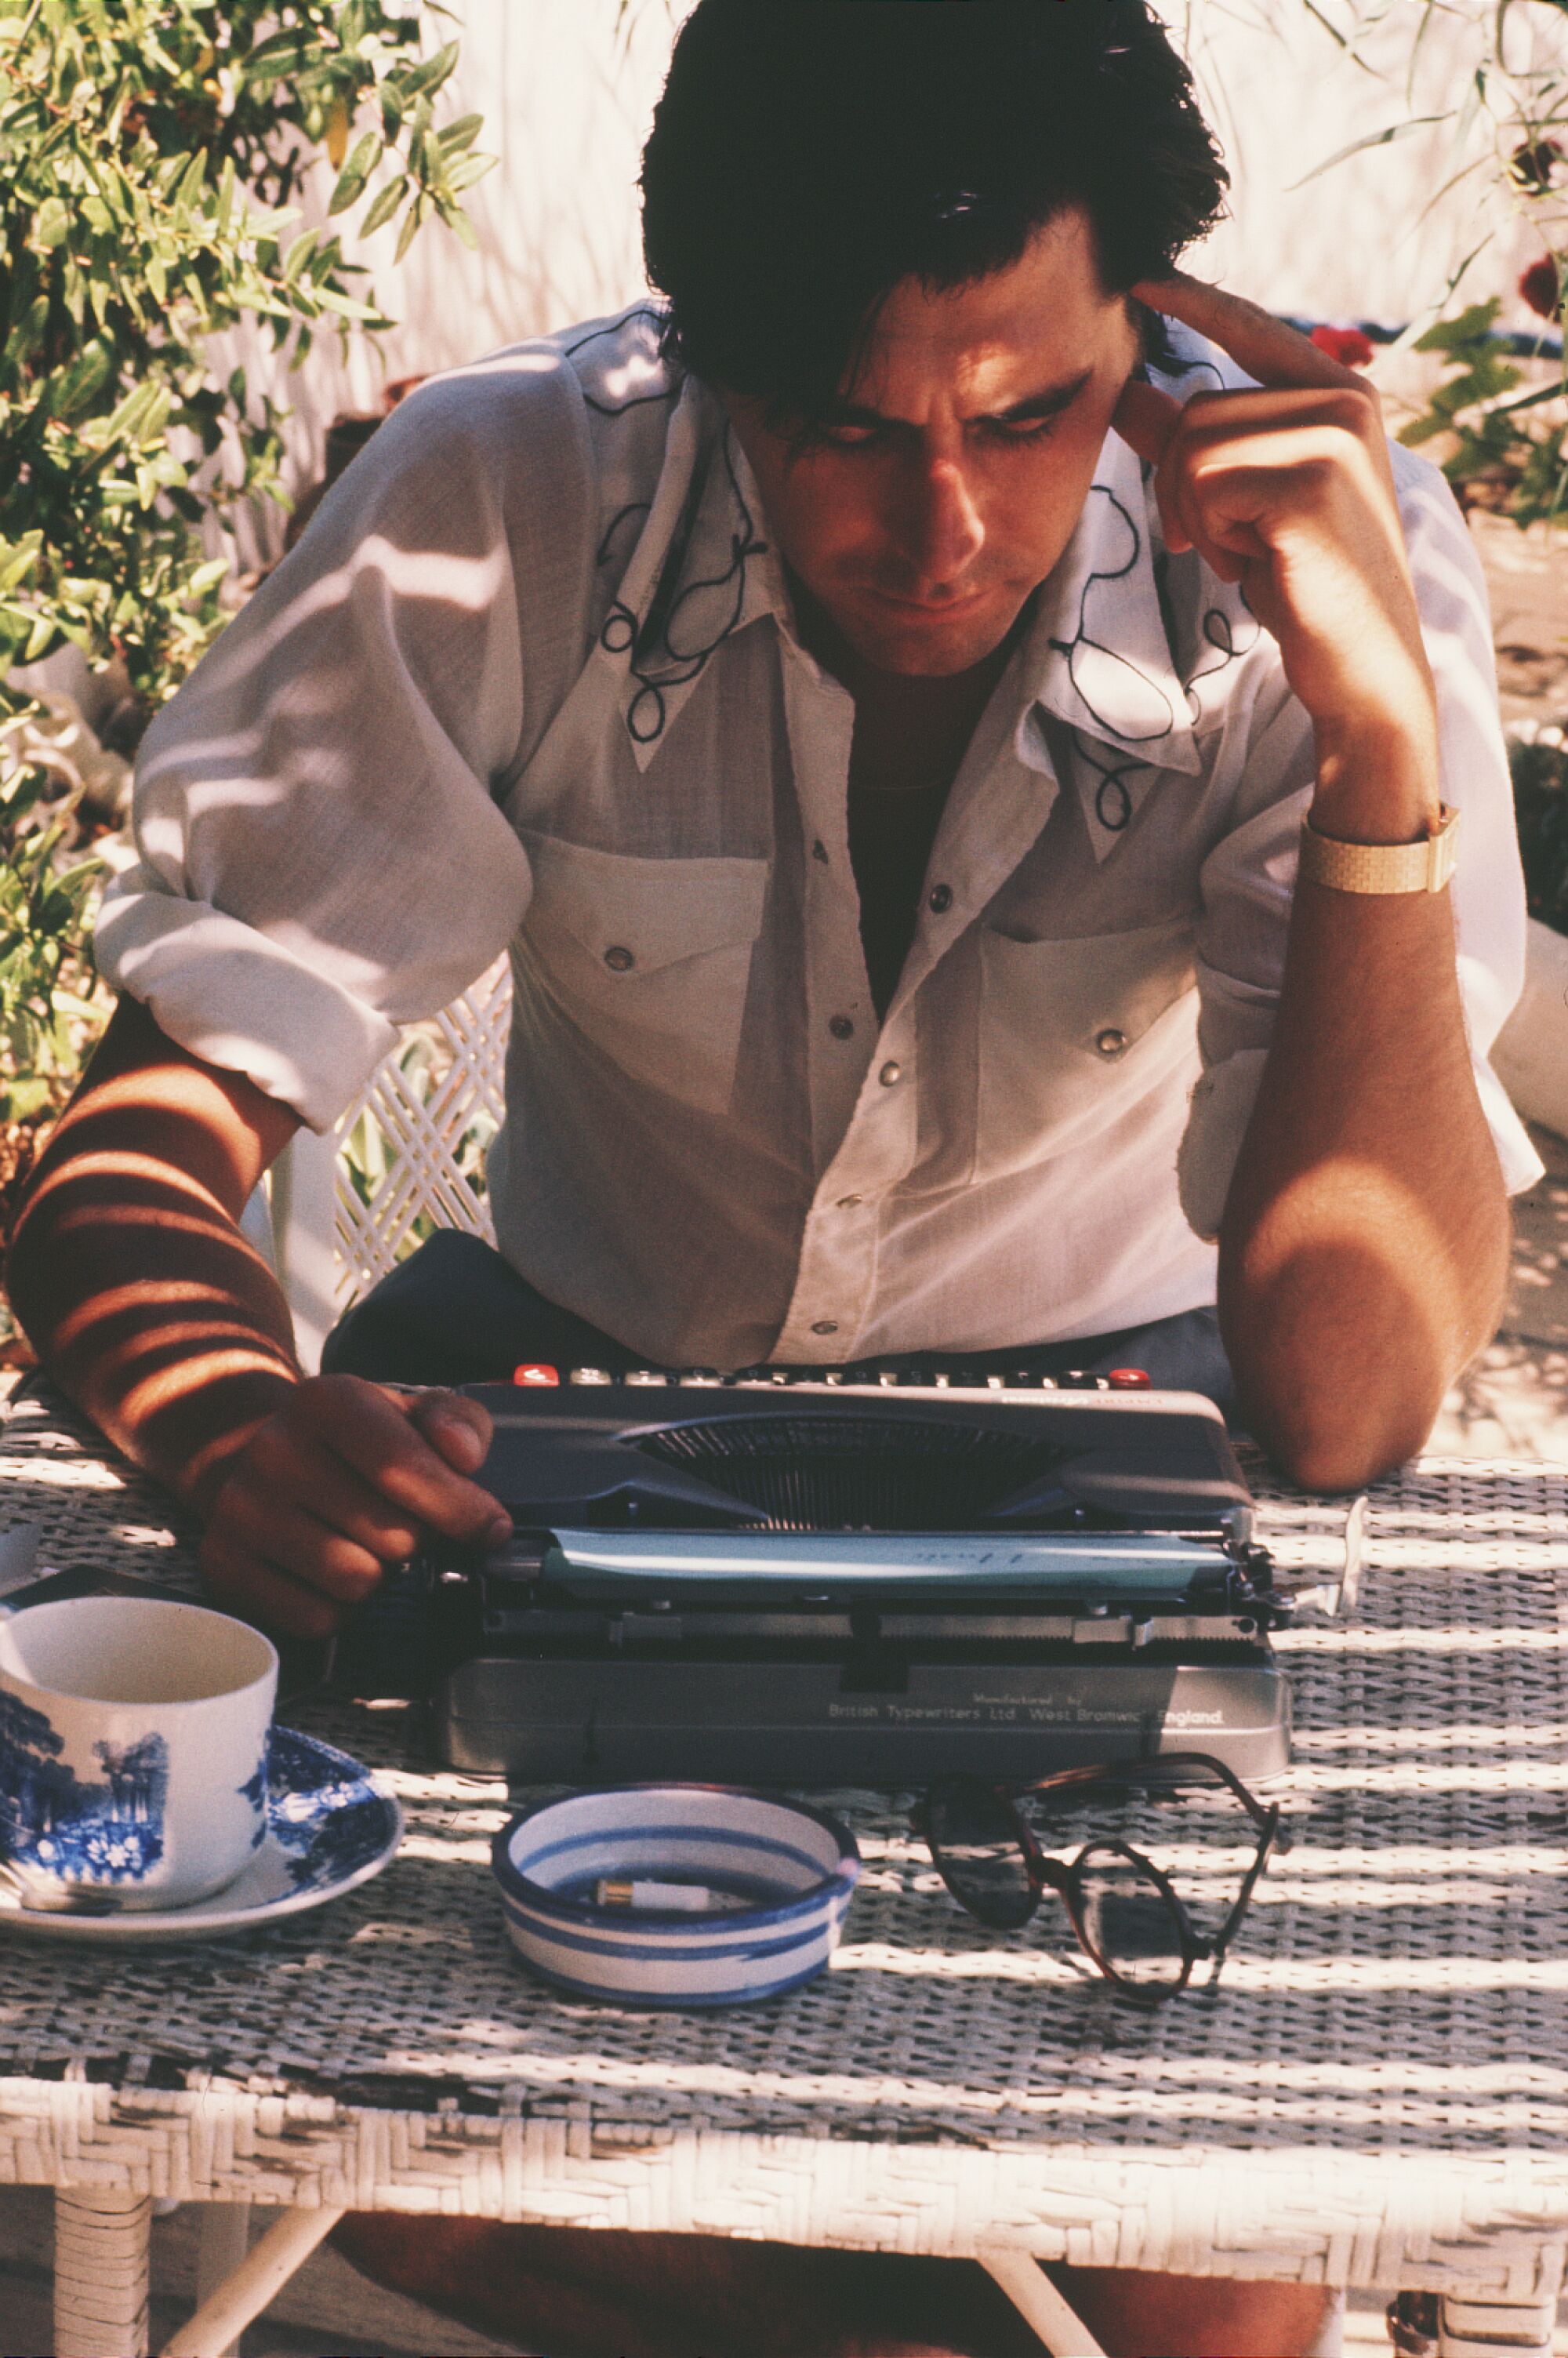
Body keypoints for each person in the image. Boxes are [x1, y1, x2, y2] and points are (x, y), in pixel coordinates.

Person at [6, 5, 1538, 2352]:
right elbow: (145, 1137)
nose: (949, 524)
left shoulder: (1326, 558)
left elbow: (1343, 1401)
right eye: (847, 426)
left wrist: (1370, 752)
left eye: (1032, 416)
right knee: (382, 2167)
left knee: (1218, 2283)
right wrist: (223, 1421)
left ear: (1157, 336)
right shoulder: (502, 496)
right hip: (553, 1435)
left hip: (1097, 1478)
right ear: (703, 359)